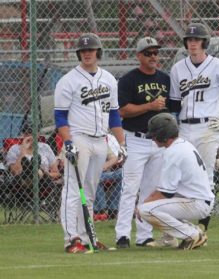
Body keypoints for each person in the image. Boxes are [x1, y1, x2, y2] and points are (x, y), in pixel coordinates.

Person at [169, 23, 219, 232]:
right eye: (190, 40)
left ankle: (203, 226)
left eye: (197, 40)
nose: (193, 43)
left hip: (208, 127)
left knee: (206, 176)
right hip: (184, 128)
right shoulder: (178, 68)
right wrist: (172, 125)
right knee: (181, 175)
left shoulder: (218, 66)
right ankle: (183, 226)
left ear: (205, 42)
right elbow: (175, 103)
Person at [54, 33, 126, 254]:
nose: (87, 53)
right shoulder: (68, 80)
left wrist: (122, 143)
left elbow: (114, 114)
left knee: (91, 192)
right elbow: (60, 116)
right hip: (79, 138)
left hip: (101, 140)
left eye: (91, 50)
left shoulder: (109, 79)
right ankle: (71, 239)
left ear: (98, 53)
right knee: (73, 190)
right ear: (79, 54)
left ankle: (87, 238)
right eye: (83, 51)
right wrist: (68, 142)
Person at [115, 36, 170, 248]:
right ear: (139, 56)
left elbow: (172, 106)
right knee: (130, 188)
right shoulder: (129, 80)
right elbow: (122, 111)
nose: (153, 57)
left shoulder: (165, 78)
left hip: (158, 142)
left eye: (156, 52)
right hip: (135, 139)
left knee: (151, 189)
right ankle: (122, 234)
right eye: (148, 53)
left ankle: (144, 235)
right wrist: (149, 106)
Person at [139, 113, 214, 250]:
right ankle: (171, 239)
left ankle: (192, 234)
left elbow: (165, 193)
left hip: (196, 203)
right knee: (154, 205)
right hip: (197, 199)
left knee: (145, 210)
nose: (153, 139)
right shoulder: (182, 144)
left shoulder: (174, 152)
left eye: (155, 135)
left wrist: (143, 205)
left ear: (163, 135)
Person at [6, 124, 61, 189]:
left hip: (43, 182)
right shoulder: (14, 149)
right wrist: (23, 150)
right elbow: (15, 172)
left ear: (38, 134)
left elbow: (56, 173)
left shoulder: (45, 147)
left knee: (38, 171)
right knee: (26, 173)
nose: (29, 136)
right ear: (23, 135)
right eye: (26, 134)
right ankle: (30, 171)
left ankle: (33, 170)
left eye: (32, 133)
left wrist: (47, 174)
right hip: (21, 184)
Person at [94, 135, 122, 221]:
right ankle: (101, 210)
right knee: (96, 177)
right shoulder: (79, 142)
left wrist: (105, 165)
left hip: (104, 173)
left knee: (123, 173)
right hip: (89, 175)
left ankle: (113, 209)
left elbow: (115, 158)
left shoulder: (102, 143)